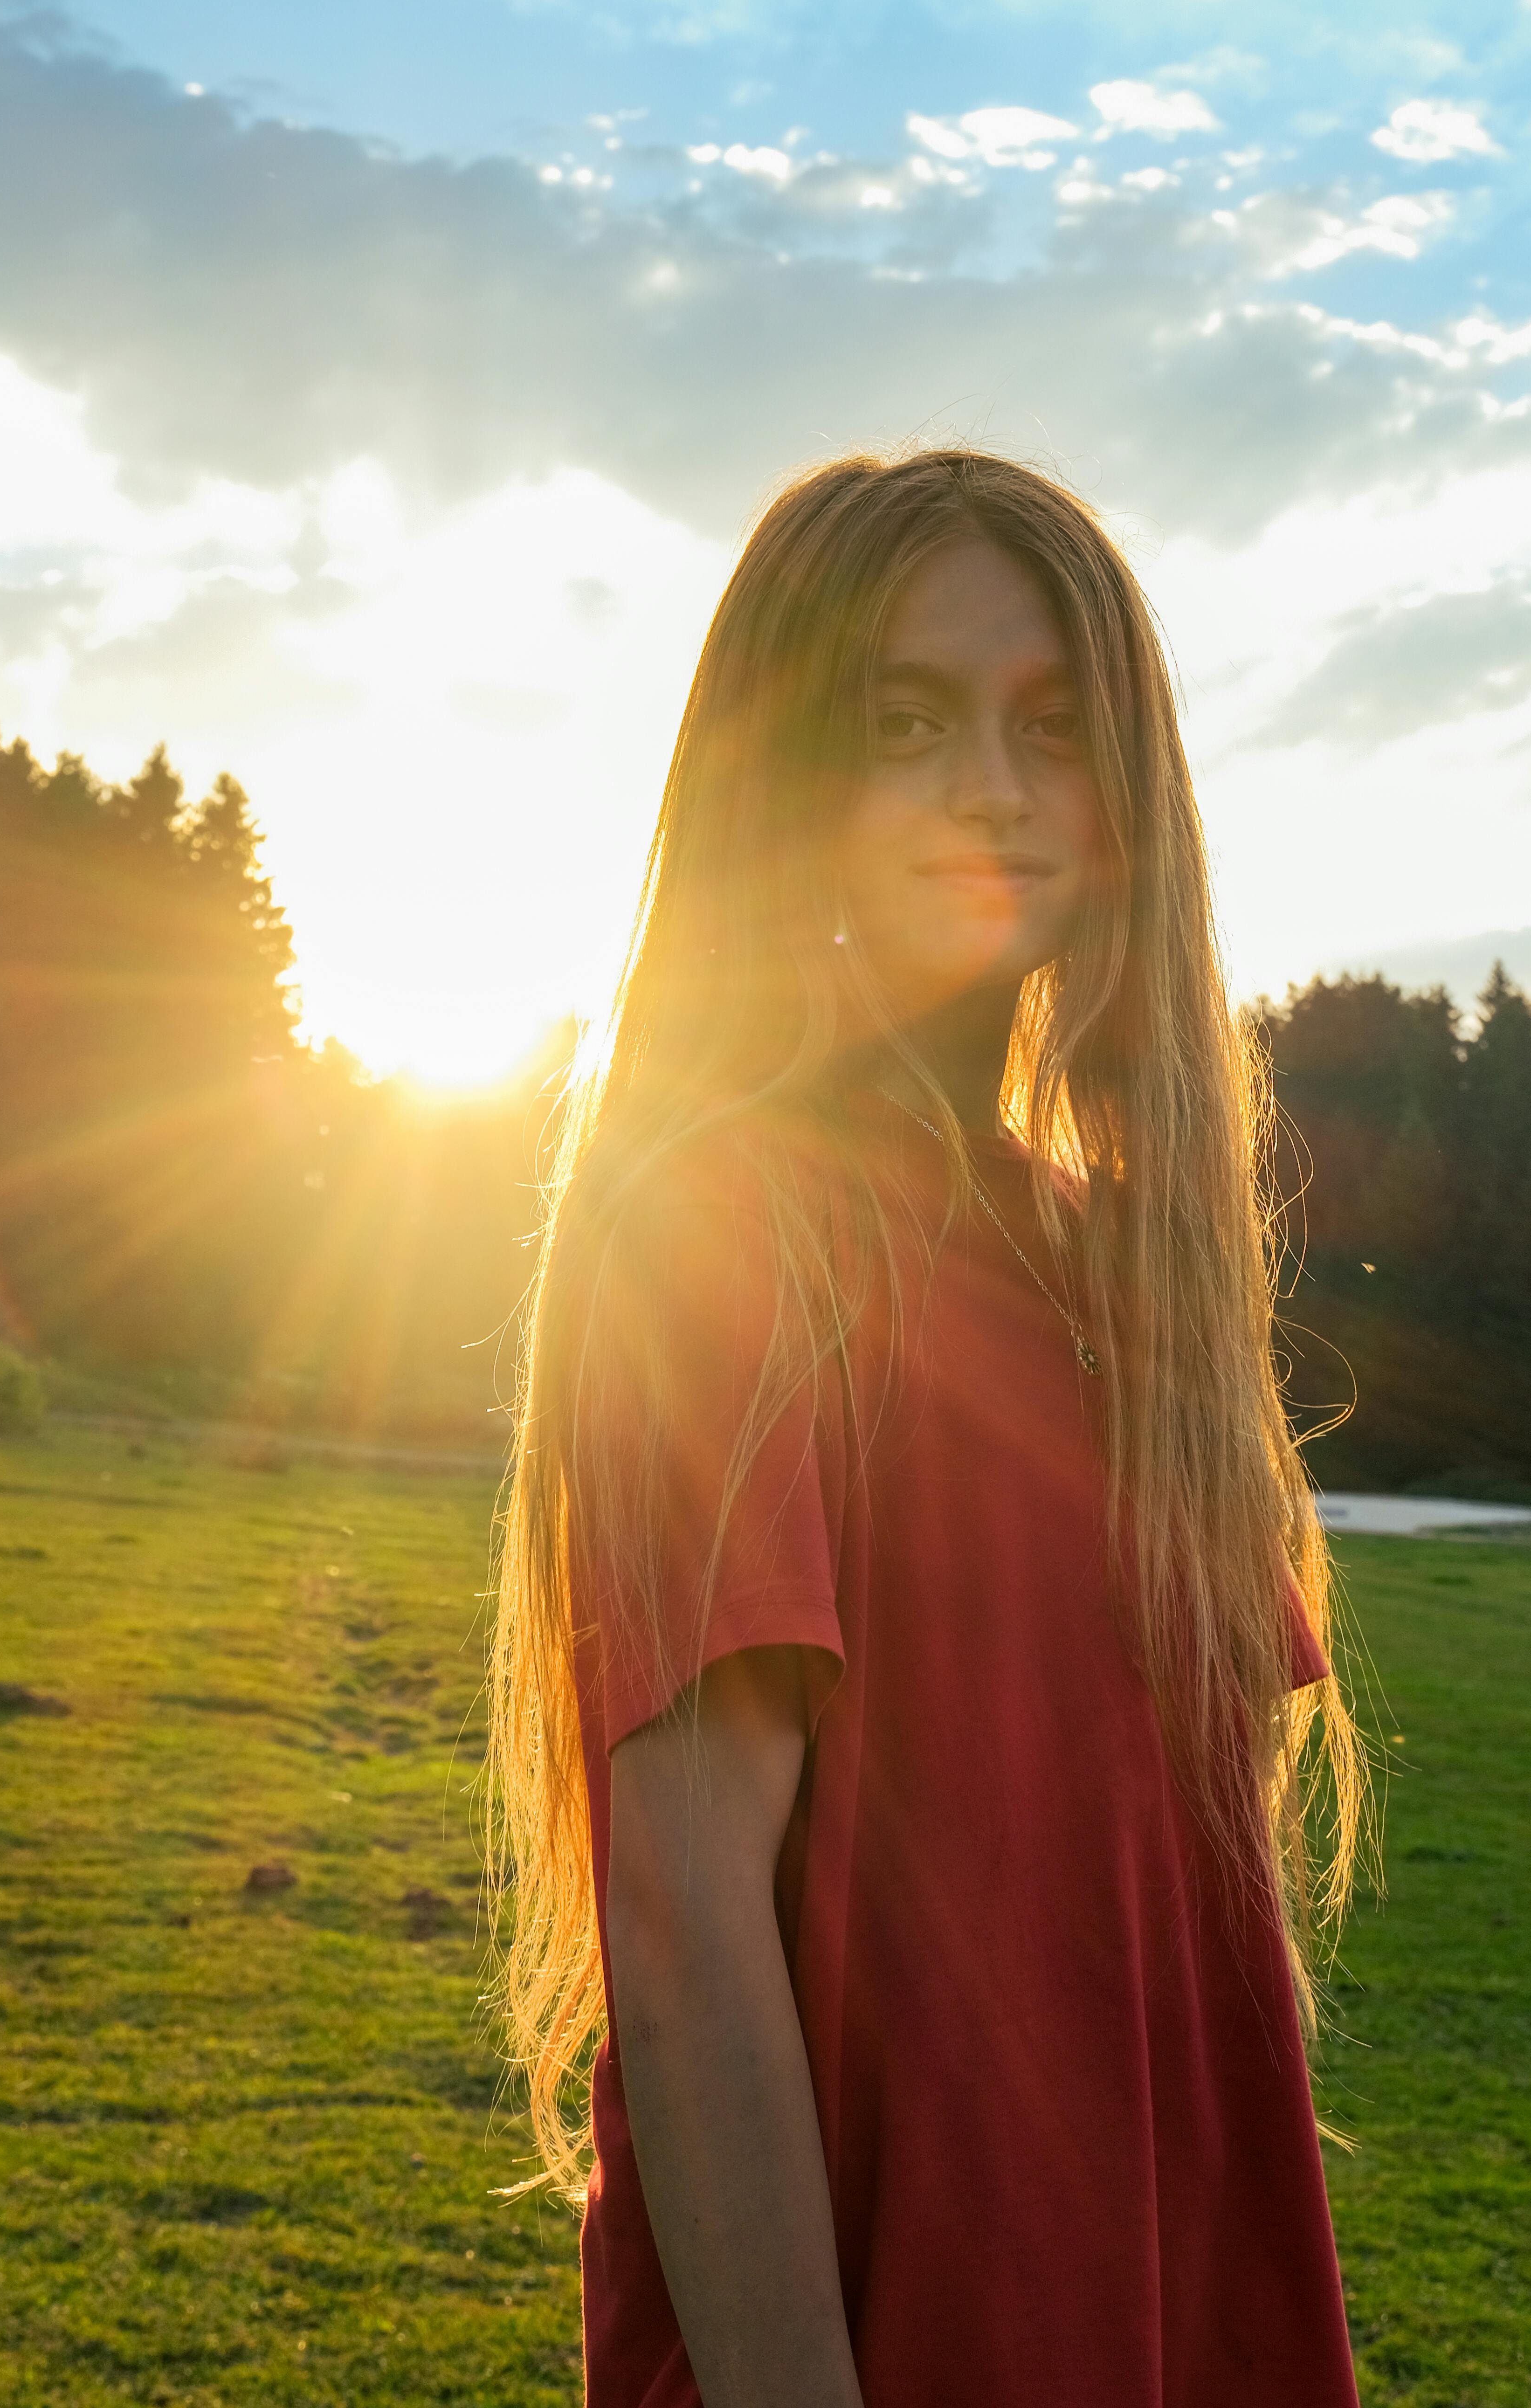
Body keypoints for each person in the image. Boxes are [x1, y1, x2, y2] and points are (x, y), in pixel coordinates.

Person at [490, 447, 1367, 2408]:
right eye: (904, 724)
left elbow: (1184, 1915)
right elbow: (688, 1916)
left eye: (1049, 731)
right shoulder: (726, 1224)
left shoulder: (1129, 1279)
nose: (988, 787)